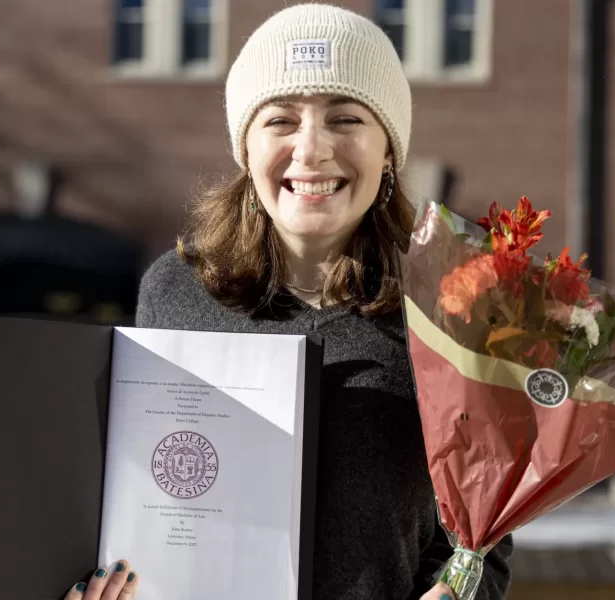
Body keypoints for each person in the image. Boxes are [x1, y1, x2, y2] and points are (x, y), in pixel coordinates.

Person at [67, 3, 514, 599]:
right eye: (280, 119)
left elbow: (482, 537)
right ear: (245, 148)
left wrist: (457, 592)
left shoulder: (446, 310)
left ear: (388, 151)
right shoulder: (173, 291)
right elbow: (134, 498)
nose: (311, 149)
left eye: (346, 118)